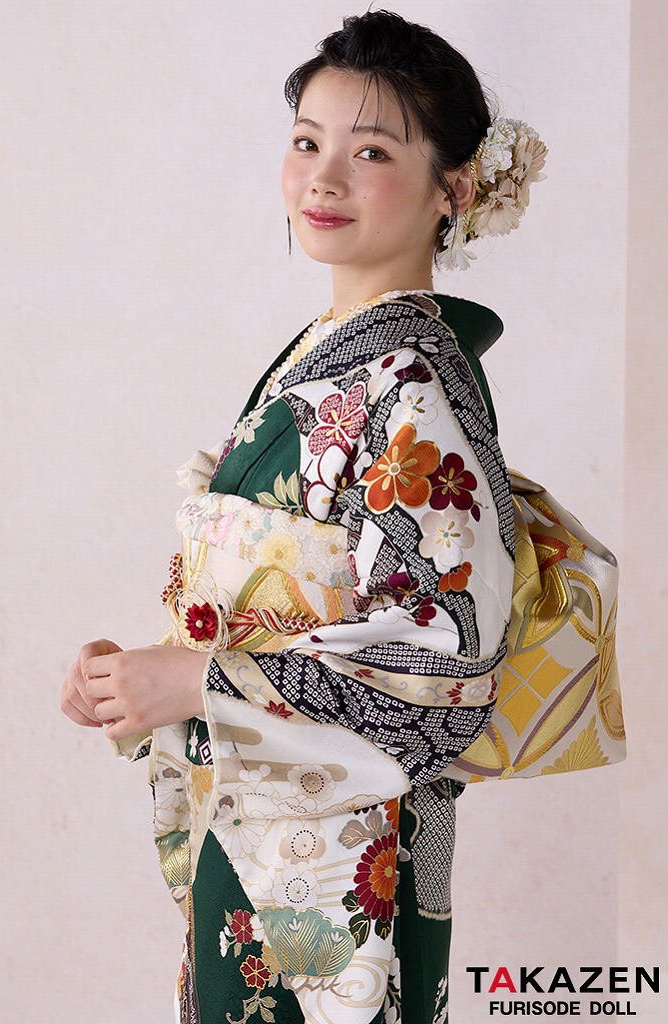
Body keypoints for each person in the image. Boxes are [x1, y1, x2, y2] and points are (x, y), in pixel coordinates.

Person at [61, 11, 547, 1023]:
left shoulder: (413, 385)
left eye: (370, 152)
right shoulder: (335, 355)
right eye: (305, 141)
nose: (321, 180)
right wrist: (144, 677)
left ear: (453, 189)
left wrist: (195, 677)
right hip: (265, 825)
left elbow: (442, 674)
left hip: (346, 855)